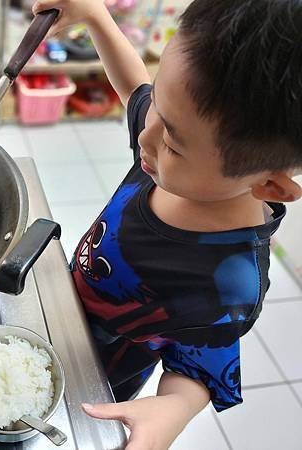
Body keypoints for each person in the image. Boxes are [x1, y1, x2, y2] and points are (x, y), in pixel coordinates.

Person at [32, 0, 302, 448]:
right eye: (158, 103)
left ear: (269, 186)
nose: (145, 134)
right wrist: (97, 17)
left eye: (174, 145)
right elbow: (135, 86)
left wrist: (172, 411)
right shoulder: (170, 137)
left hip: (98, 376)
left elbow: (195, 368)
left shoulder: (230, 285)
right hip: (60, 312)